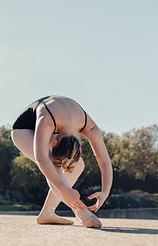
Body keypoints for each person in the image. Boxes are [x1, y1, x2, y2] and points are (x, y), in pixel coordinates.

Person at [11, 95, 113, 228]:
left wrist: (105, 192)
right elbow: (42, 159)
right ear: (55, 142)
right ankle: (82, 213)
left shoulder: (90, 126)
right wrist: (64, 190)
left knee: (78, 165)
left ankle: (47, 214)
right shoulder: (47, 119)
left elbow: (105, 162)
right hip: (23, 129)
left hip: (56, 120)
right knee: (52, 165)